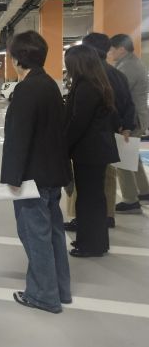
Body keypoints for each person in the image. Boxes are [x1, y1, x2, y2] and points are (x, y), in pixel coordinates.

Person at [0, 31, 72, 314]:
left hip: (32, 178)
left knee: (35, 236)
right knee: (53, 234)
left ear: (18, 59)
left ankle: (43, 295)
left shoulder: (26, 89)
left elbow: (18, 138)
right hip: (52, 174)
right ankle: (60, 289)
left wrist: (12, 178)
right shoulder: (50, 85)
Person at [64, 34, 135, 231]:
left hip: (91, 141)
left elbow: (80, 119)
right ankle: (107, 217)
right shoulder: (117, 74)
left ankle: (86, 223)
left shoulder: (90, 79)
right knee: (105, 181)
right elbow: (128, 103)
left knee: (88, 190)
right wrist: (125, 125)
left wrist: (64, 145)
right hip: (110, 136)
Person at [64, 45, 119, 258]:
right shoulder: (97, 83)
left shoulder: (86, 87)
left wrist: (64, 145)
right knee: (94, 198)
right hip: (96, 150)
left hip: (89, 152)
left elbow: (78, 122)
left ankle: (91, 245)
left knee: (89, 199)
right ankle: (95, 242)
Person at [109, 34, 149, 214]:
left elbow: (119, 96)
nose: (110, 53)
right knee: (133, 157)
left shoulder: (127, 67)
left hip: (131, 120)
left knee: (123, 158)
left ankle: (130, 200)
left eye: (112, 50)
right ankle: (144, 191)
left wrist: (121, 123)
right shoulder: (131, 63)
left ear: (121, 49)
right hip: (137, 117)